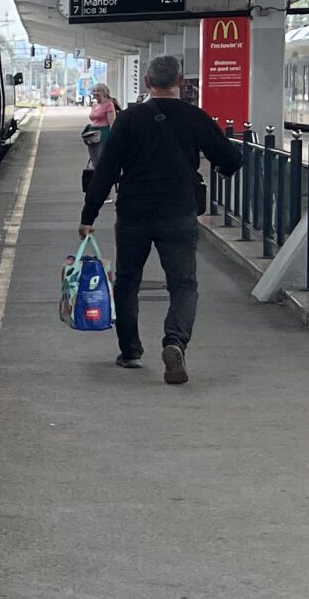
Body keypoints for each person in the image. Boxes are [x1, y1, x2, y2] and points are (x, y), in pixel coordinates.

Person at [79, 54, 242, 385]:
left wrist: (89, 215)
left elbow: (106, 169)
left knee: (127, 282)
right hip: (178, 211)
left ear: (147, 83)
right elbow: (232, 158)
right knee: (183, 284)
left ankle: (131, 352)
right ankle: (174, 341)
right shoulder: (196, 117)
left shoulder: (129, 119)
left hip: (134, 212)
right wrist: (222, 169)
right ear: (180, 83)